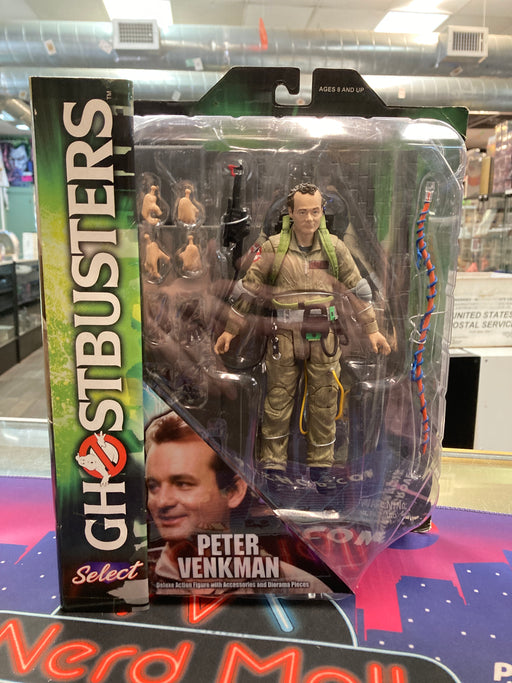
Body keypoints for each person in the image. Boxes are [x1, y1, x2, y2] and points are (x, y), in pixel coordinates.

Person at [215, 183, 391, 493]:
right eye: (302, 212)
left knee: (325, 401)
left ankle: (321, 468)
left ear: (322, 212)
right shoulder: (273, 247)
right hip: (283, 336)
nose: (309, 218)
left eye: (315, 211)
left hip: (323, 337)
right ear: (290, 213)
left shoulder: (335, 247)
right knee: (277, 400)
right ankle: (272, 466)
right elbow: (248, 289)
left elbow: (357, 289)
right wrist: (230, 330)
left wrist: (373, 329)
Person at [145, 410, 332, 595]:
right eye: (153, 486)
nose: (162, 501)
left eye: (183, 484)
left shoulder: (300, 587)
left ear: (234, 491)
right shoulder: (137, 579)